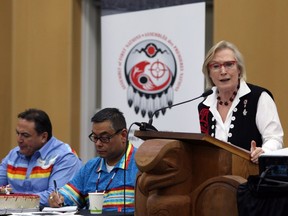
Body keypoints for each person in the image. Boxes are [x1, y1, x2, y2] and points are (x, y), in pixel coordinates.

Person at [198, 40, 283, 164]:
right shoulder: (204, 107)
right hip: (216, 180)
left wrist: (264, 151)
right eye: (215, 66)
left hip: (252, 177)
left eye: (229, 64)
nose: (223, 71)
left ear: (239, 69)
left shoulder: (259, 97)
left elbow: (274, 138)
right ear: (209, 73)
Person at [48, 108, 138, 213]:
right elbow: (66, 198)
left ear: (123, 135)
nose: (98, 143)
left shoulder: (141, 164)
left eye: (104, 138)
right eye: (95, 137)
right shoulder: (90, 167)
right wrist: (56, 198)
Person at [0, 108, 82, 206]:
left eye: (25, 135)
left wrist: (13, 199)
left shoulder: (65, 157)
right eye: (18, 133)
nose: (19, 140)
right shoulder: (13, 155)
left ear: (43, 137)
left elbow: (55, 197)